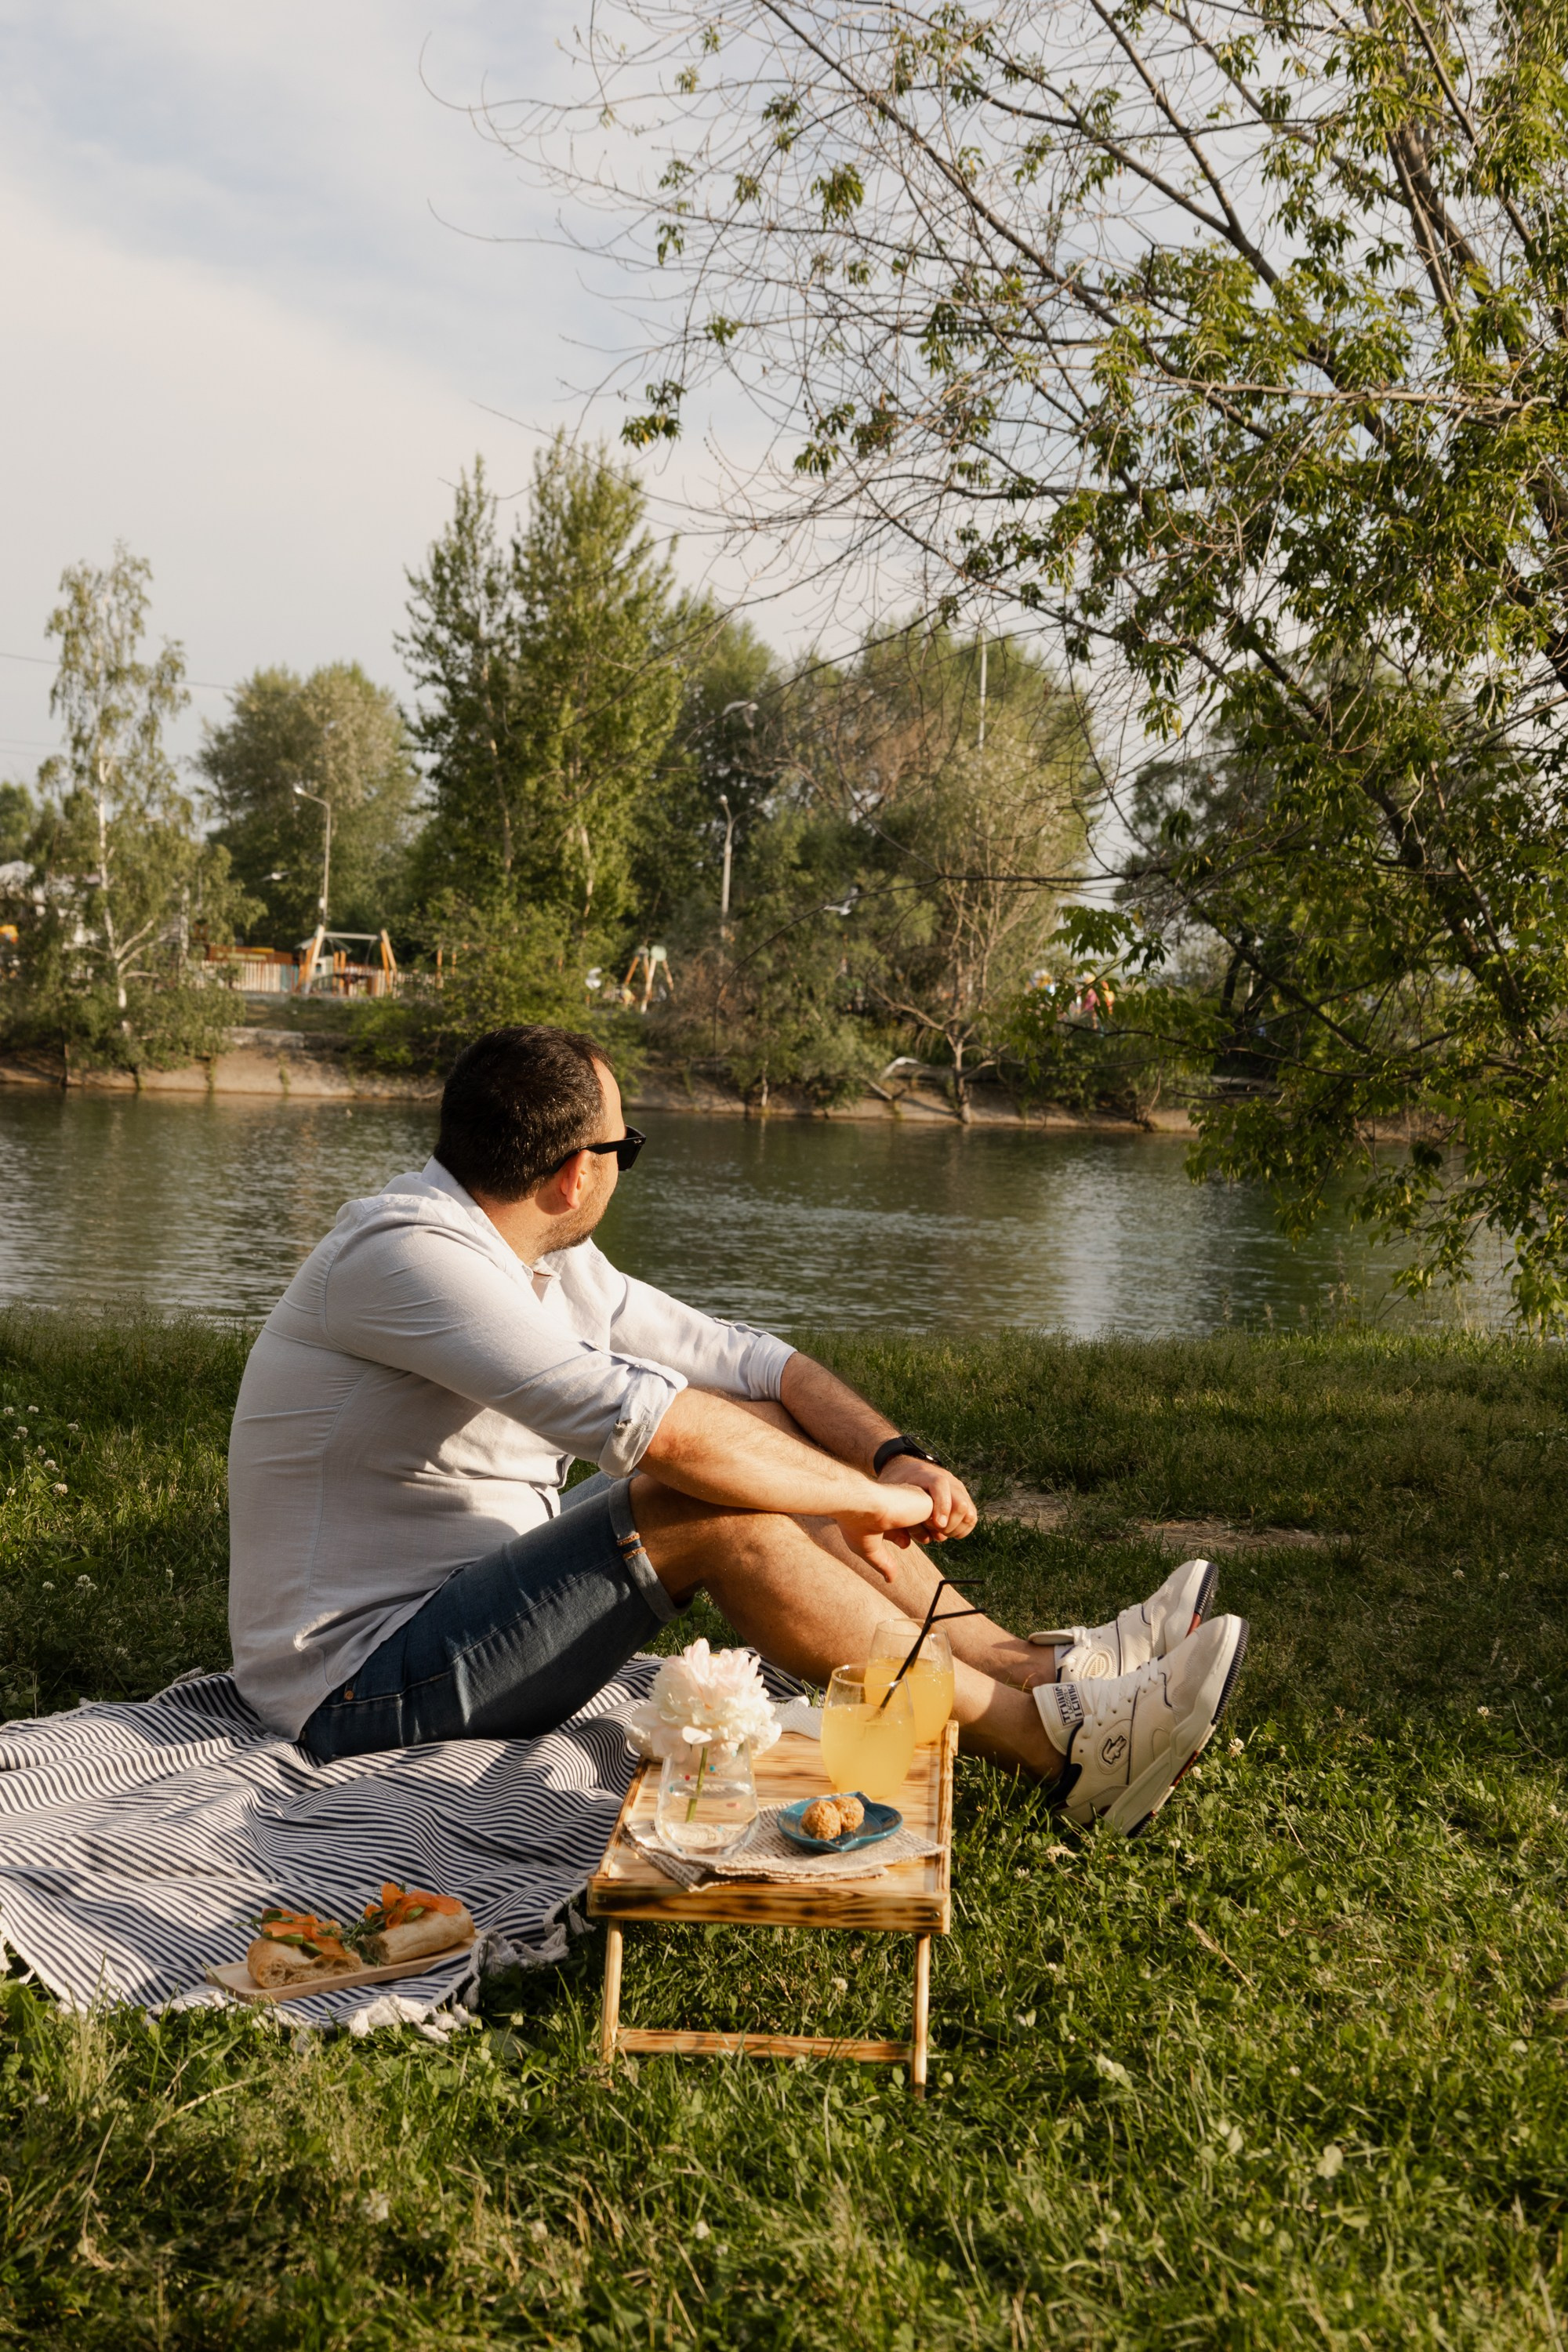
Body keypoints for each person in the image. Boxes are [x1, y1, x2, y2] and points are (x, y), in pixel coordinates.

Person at [228, 1025, 1246, 1835]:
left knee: (755, 1436)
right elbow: (656, 1431)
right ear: (577, 1174)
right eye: (627, 1148)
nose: (625, 1166)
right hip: (357, 1688)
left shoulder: (537, 1255)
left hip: (460, 1611)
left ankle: (1039, 1670)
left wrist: (893, 1454)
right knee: (717, 1504)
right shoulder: (409, 1259)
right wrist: (867, 1499)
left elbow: (752, 1362)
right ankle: (1062, 1755)